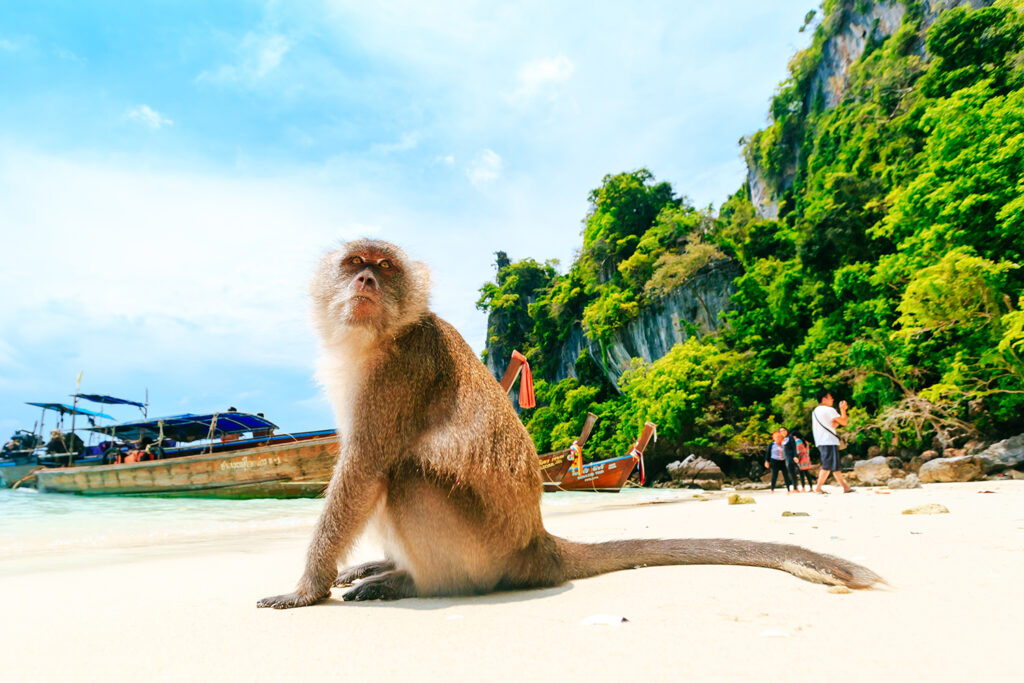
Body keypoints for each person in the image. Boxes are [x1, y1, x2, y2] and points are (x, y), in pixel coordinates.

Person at [811, 390, 853, 493]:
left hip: (821, 440)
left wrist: (836, 421)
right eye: (830, 398)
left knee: (835, 466)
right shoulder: (829, 410)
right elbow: (844, 422)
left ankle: (845, 487)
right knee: (827, 465)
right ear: (824, 399)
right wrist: (843, 410)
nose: (832, 399)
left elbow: (833, 424)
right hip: (828, 440)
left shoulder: (816, 411)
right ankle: (818, 487)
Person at [779, 427, 803, 492]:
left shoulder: (790, 438)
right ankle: (794, 487)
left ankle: (795, 488)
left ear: (786, 431)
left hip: (791, 457)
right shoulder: (784, 439)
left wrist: (795, 456)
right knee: (790, 472)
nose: (782, 432)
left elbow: (794, 448)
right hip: (786, 458)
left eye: (784, 430)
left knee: (792, 472)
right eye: (781, 431)